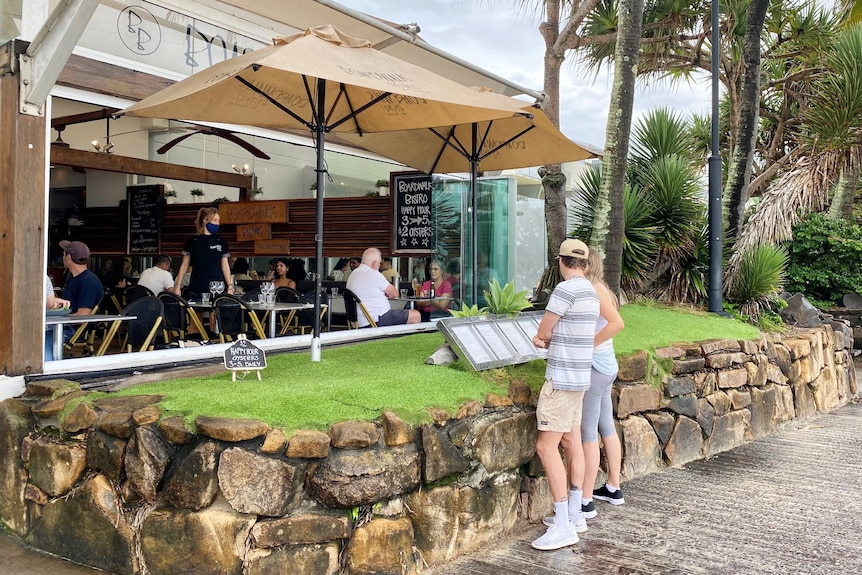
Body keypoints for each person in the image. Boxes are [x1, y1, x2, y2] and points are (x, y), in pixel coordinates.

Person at [530, 239, 599, 551]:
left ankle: (561, 524)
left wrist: (543, 339)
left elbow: (544, 331)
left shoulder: (564, 290)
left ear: (560, 261)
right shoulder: (591, 292)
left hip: (560, 381)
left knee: (546, 448)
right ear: (584, 263)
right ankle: (574, 514)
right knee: (572, 442)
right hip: (580, 380)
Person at [580, 247, 626, 517]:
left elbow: (616, 324)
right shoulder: (603, 289)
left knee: (588, 433)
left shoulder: (596, 289)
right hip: (606, 366)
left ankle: (585, 502)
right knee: (606, 426)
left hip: (597, 368)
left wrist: (588, 345)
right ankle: (613, 487)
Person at [346, 247, 421, 327]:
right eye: (379, 263)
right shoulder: (373, 274)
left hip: (358, 322)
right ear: (374, 263)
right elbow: (394, 294)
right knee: (416, 315)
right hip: (375, 319)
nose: (379, 266)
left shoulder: (353, 274)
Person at [172, 207, 234, 299]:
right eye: (215, 220)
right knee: (197, 310)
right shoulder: (193, 241)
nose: (218, 223)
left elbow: (225, 265)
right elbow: (184, 265)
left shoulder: (221, 241)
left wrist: (230, 285)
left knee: (215, 310)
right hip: (198, 282)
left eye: (218, 221)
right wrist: (178, 285)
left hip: (217, 284)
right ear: (205, 220)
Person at [44, 275, 70, 361]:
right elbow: (50, 304)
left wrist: (53, 302)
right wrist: (53, 303)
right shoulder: (43, 276)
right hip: (38, 331)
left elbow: (51, 303)